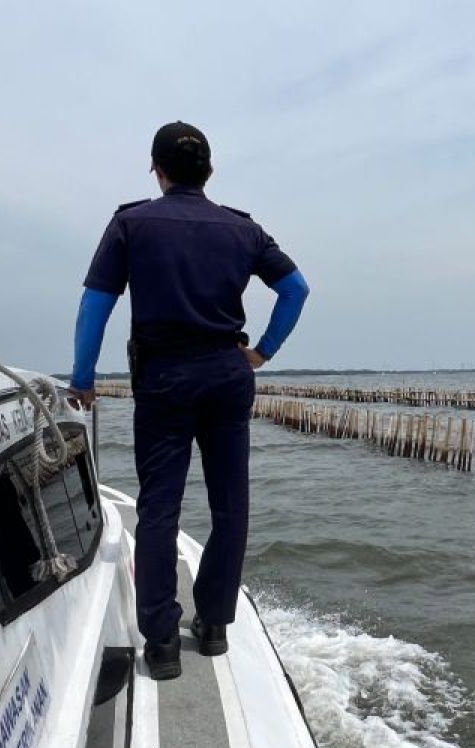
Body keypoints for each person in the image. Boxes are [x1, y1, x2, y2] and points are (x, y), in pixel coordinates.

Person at [68, 121, 309, 680]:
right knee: (231, 506)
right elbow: (296, 289)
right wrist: (264, 352)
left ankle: (162, 643)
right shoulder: (242, 230)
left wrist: (82, 377)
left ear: (157, 169)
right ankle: (216, 626)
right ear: (210, 172)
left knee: (159, 508)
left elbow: (94, 308)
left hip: (164, 378)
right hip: (228, 374)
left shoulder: (132, 223)